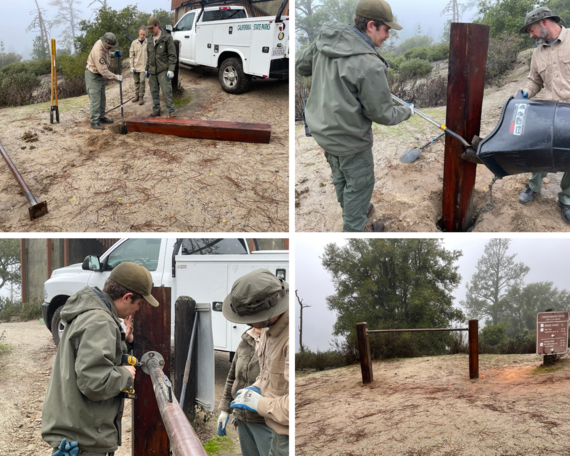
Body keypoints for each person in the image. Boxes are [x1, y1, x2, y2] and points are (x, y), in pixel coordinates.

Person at [296, 0, 414, 232]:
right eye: (386, 29)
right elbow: (382, 113)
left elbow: (301, 65)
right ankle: (354, 228)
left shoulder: (327, 39)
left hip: (323, 132)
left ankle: (355, 209)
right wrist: (407, 110)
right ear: (371, 25)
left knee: (342, 178)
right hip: (350, 139)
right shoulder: (370, 64)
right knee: (359, 185)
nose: (388, 35)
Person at [41, 262, 159, 455]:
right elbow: (94, 381)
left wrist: (125, 343)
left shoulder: (90, 313)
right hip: (83, 438)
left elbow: (93, 360)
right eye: (139, 304)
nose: (137, 309)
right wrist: (125, 374)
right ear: (127, 297)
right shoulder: (100, 322)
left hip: (76, 428)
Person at [223, 269, 289, 456]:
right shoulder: (269, 328)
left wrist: (258, 403)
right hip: (276, 428)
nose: (250, 325)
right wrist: (256, 387)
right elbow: (267, 371)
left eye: (251, 320)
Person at [518, 6, 570, 223]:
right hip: (550, 113)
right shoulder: (537, 53)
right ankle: (533, 186)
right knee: (541, 151)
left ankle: (566, 198)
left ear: (545, 22)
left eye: (531, 30)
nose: (530, 35)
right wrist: (524, 93)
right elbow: (534, 81)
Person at [217, 327, 272, 456]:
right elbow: (232, 377)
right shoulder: (245, 339)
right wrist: (225, 409)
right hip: (242, 418)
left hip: (265, 421)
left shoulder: (277, 339)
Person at [85, 32, 123, 130]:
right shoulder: (98, 51)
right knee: (95, 100)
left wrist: (113, 54)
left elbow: (106, 53)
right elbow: (103, 70)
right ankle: (94, 121)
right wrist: (116, 77)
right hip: (93, 75)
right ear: (105, 43)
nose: (111, 47)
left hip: (99, 75)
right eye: (110, 46)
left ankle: (101, 117)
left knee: (102, 98)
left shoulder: (104, 46)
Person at [145, 17, 177, 118]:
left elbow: (172, 55)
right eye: (149, 28)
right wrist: (147, 68)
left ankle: (171, 112)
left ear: (157, 25)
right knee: (154, 92)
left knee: (166, 91)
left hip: (163, 70)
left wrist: (171, 69)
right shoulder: (149, 40)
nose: (150, 30)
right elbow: (149, 56)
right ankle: (156, 110)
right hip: (152, 70)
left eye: (152, 28)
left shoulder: (167, 38)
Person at [129, 25, 148, 105]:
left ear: (146, 33)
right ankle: (136, 95)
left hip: (144, 66)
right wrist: (131, 66)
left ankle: (141, 96)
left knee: (142, 81)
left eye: (144, 34)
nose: (142, 36)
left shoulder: (148, 42)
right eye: (141, 34)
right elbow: (131, 55)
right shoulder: (134, 43)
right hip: (136, 66)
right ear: (139, 33)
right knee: (136, 81)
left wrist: (148, 67)